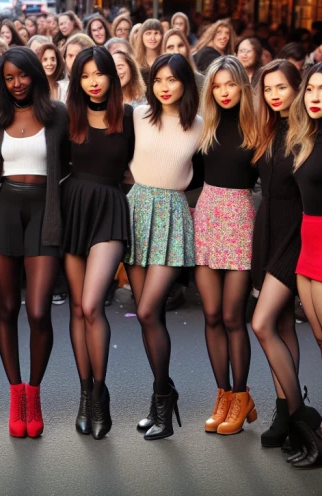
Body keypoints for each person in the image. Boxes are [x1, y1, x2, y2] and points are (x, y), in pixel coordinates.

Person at [0, 47, 69, 439]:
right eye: (9, 78)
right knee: (6, 307)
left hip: (44, 212)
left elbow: (71, 164)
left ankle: (34, 392)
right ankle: (16, 394)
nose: (16, 84)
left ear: (36, 75)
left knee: (38, 311)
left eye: (23, 75)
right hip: (4, 212)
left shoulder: (57, 115)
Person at [125, 53, 203, 441]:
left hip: (172, 215)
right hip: (137, 209)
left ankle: (162, 399)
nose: (165, 86)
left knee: (147, 308)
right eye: (158, 80)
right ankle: (163, 396)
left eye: (172, 79)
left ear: (186, 83)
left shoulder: (200, 126)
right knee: (146, 316)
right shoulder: (138, 115)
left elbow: (206, 171)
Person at [62, 46, 133, 439]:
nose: (93, 81)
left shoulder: (130, 117)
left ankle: (100, 392)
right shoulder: (67, 116)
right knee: (76, 308)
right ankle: (85, 395)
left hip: (109, 209)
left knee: (91, 306)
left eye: (99, 73)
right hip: (74, 208)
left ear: (111, 77)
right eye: (85, 74)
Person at [194, 57, 259, 435]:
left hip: (239, 222)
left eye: (230, 85)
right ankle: (223, 395)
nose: (224, 92)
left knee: (235, 317)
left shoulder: (255, 128)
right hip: (206, 217)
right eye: (217, 86)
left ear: (242, 87)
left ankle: (241, 395)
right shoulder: (206, 127)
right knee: (212, 315)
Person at [250, 60, 304, 450]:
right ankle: (283, 411)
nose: (273, 95)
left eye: (281, 87)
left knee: (262, 323)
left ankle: (299, 416)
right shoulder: (269, 128)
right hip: (267, 229)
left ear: (297, 88)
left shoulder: (308, 133)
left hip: (294, 234)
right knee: (283, 325)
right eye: (268, 88)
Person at [285, 64, 322, 467]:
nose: (314, 96)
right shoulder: (306, 136)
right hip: (307, 245)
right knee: (319, 339)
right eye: (310, 88)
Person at [162, 28, 204, 92]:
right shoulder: (158, 82)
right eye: (170, 47)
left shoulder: (201, 81)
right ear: (163, 52)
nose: (176, 51)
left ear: (187, 49)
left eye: (180, 46)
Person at [134, 19, 163, 83]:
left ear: (162, 36)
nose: (152, 38)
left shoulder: (167, 60)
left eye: (156, 33)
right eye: (148, 33)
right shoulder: (134, 62)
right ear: (141, 36)